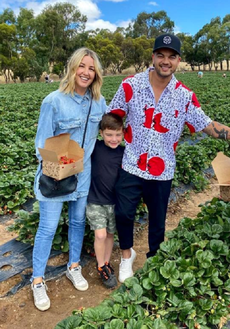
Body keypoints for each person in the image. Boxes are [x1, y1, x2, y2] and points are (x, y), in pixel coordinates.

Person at [107, 33, 230, 283]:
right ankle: (126, 256)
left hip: (162, 170)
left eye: (171, 57)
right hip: (131, 163)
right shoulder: (130, 85)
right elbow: (113, 116)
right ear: (153, 57)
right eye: (161, 55)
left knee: (157, 221)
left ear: (178, 61)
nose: (166, 61)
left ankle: (154, 259)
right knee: (123, 214)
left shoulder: (184, 95)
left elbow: (206, 125)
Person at [31, 47, 107, 311]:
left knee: (77, 222)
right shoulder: (54, 101)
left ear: (96, 73)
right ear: (72, 69)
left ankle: (73, 266)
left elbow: (109, 129)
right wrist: (57, 167)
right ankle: (37, 280)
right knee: (48, 228)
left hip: (83, 176)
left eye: (91, 68)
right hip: (56, 174)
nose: (86, 72)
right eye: (81, 67)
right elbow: (41, 142)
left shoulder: (99, 102)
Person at [86, 113, 124, 289]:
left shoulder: (124, 153)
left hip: (114, 202)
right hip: (95, 200)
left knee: (110, 234)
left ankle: (107, 263)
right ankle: (101, 265)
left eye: (118, 134)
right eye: (109, 134)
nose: (114, 139)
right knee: (100, 234)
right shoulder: (95, 148)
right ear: (101, 133)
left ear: (123, 133)